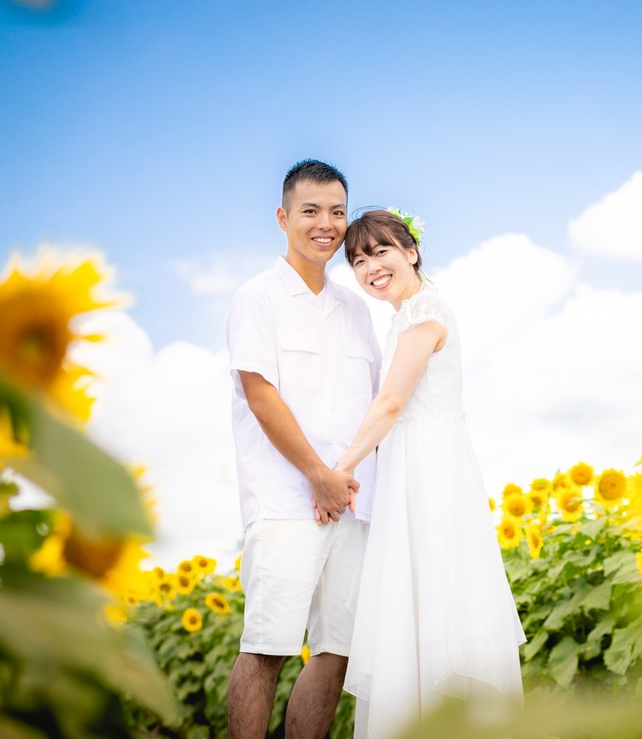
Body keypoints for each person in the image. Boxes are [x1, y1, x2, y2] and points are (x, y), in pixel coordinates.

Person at [334, 209, 525, 739]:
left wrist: (340, 468)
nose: (370, 265)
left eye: (381, 251)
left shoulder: (424, 312)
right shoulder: (404, 316)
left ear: (410, 251)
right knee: (416, 603)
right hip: (413, 468)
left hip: (430, 471)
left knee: (437, 598)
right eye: (358, 259)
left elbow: (391, 402)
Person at [225, 160, 382, 738]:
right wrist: (317, 474)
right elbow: (259, 395)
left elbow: (376, 402)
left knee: (336, 653)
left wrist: (341, 482)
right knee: (268, 647)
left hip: (354, 503)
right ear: (283, 217)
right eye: (310, 211)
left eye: (337, 211)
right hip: (285, 501)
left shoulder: (357, 306)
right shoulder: (258, 296)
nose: (326, 224)